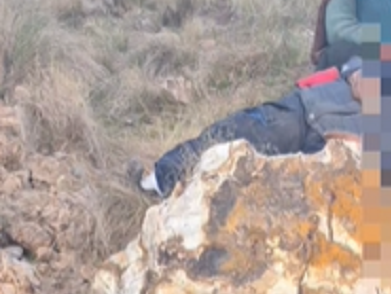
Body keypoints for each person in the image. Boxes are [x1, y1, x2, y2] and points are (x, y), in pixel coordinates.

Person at [128, 44, 366, 198]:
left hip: (323, 141)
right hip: (311, 118)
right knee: (233, 149)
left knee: (234, 154)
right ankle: (164, 183)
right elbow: (356, 69)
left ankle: (166, 188)